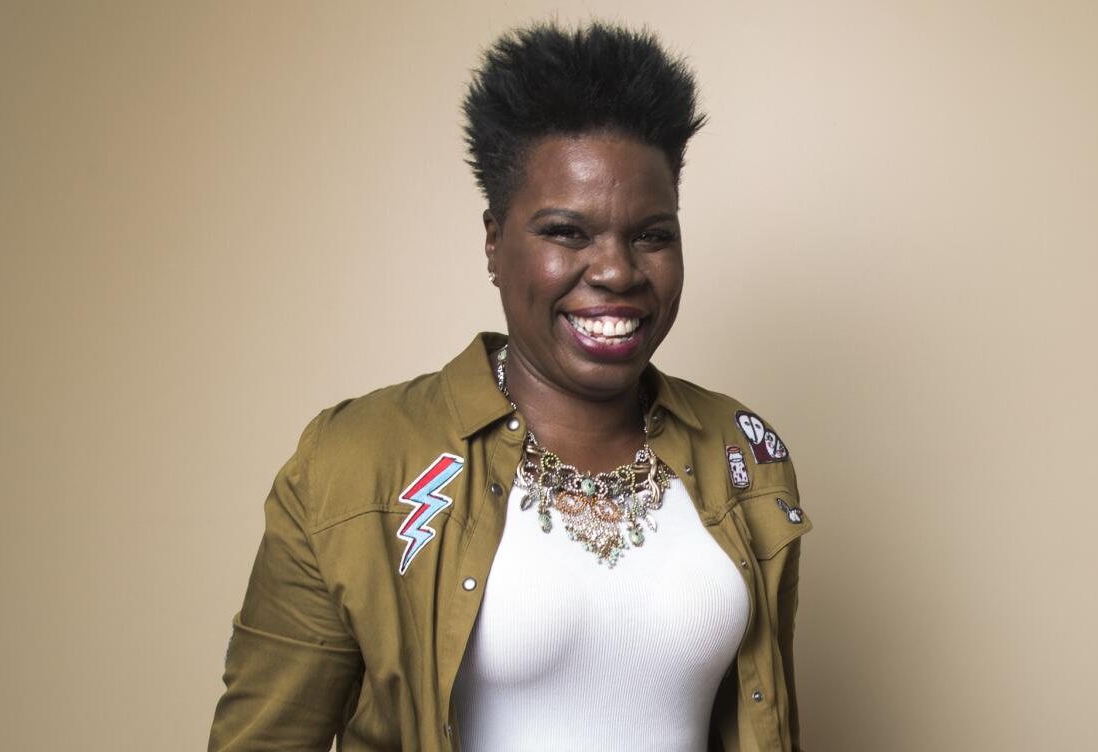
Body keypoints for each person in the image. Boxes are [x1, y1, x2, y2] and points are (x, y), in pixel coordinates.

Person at [209, 20, 810, 752]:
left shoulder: (742, 453)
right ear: (494, 241)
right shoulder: (355, 465)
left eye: (652, 235)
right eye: (567, 232)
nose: (618, 271)